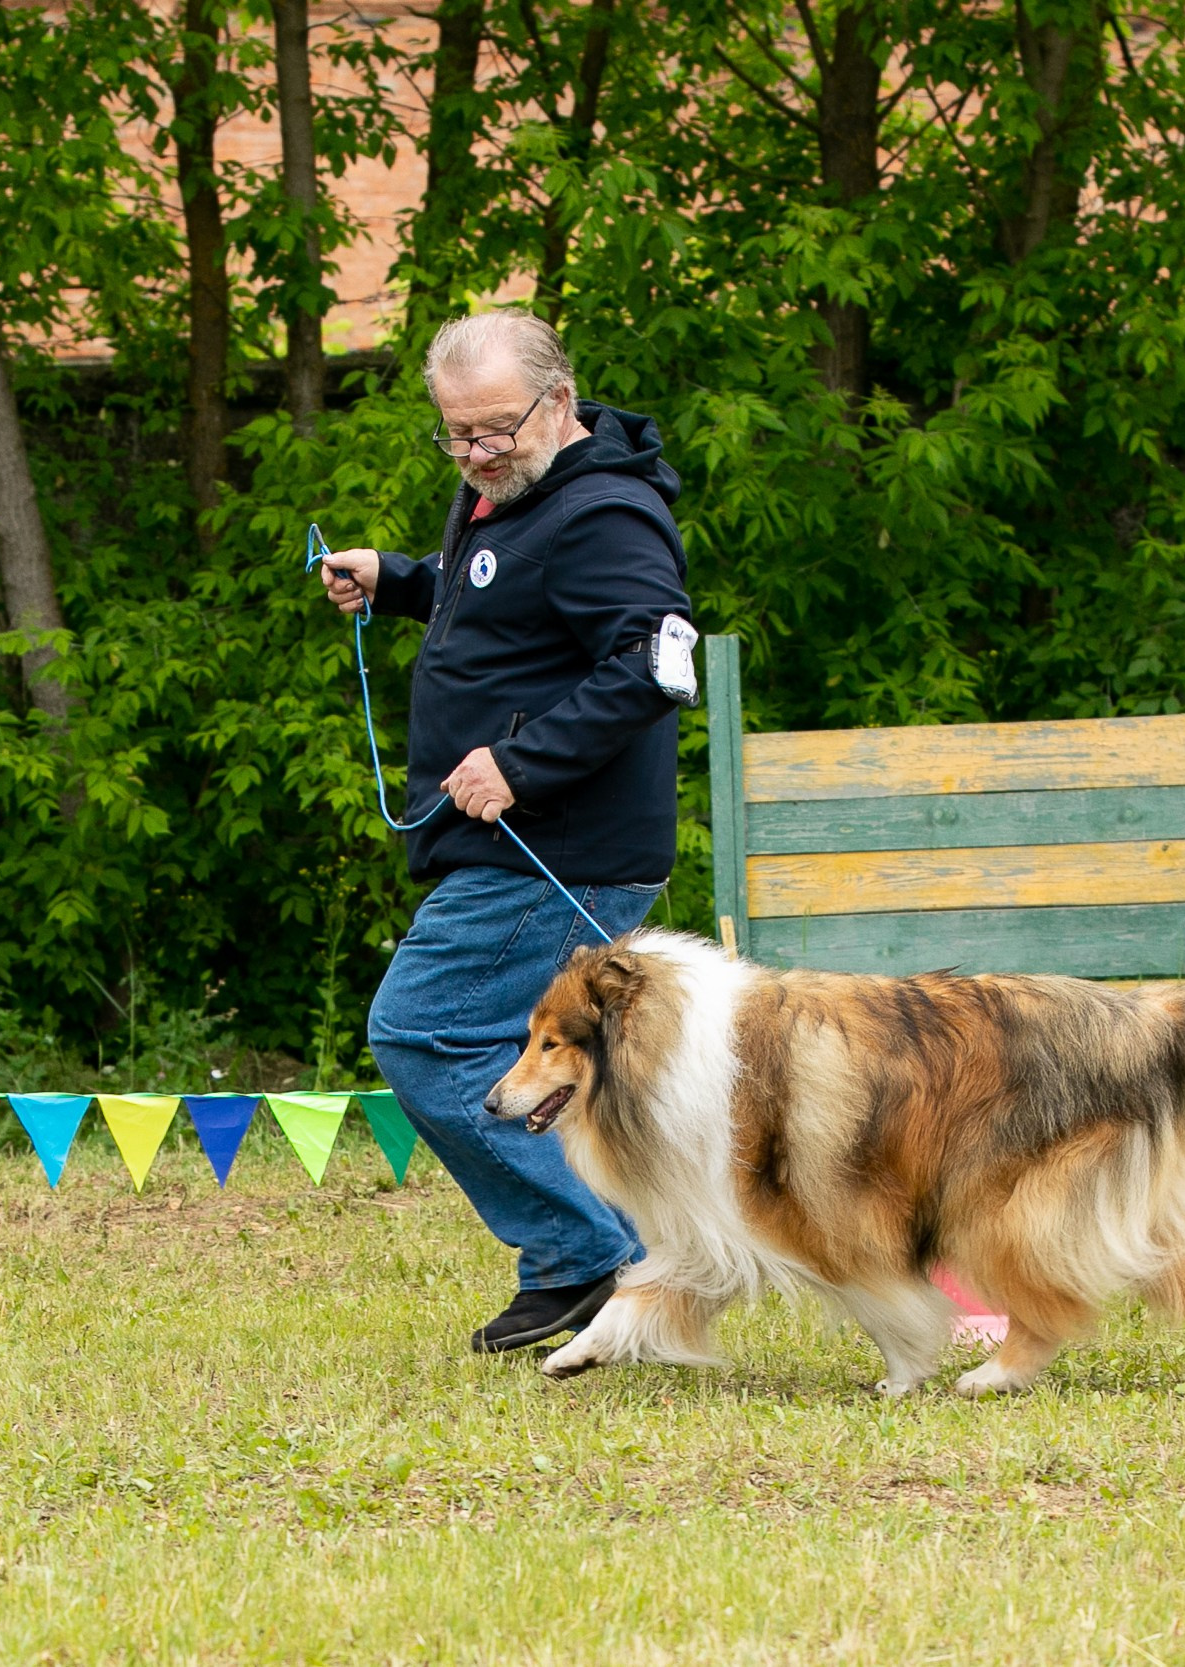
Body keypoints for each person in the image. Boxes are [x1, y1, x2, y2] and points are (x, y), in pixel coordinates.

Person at [317, 310, 698, 1353]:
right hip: (506, 842)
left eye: (495, 429)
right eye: (458, 434)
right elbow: (506, 608)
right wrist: (398, 581)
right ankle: (624, 1260)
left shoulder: (604, 514)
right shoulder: (513, 496)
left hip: (554, 845)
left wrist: (518, 764)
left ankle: (595, 1256)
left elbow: (655, 664)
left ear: (559, 399)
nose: (478, 453)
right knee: (528, 1053)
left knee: (424, 1027)